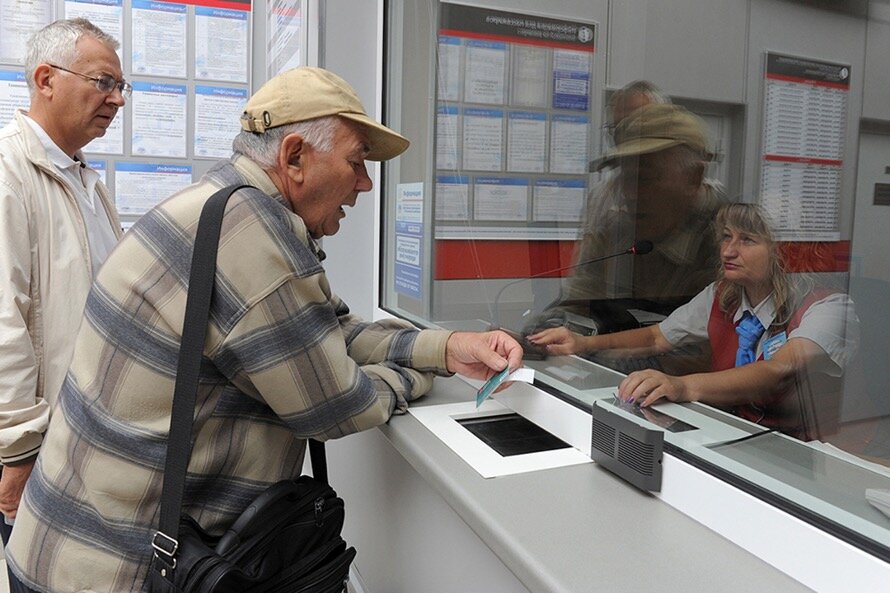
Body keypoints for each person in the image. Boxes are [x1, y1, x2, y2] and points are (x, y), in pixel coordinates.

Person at [5, 66, 522, 592]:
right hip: (106, 572)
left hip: (70, 542)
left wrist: (448, 347)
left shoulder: (223, 204)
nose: (365, 183)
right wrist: (420, 378)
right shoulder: (248, 233)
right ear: (294, 157)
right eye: (356, 160)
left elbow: (330, 331)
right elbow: (336, 404)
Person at [529, 202, 859, 441]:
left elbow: (777, 371)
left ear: (785, 252)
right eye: (726, 237)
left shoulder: (830, 307)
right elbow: (657, 338)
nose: (728, 251)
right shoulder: (722, 294)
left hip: (800, 452)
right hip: (729, 433)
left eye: (747, 240)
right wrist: (584, 342)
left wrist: (683, 385)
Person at [0, 15, 124, 567]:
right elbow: (4, 316)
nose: (117, 99)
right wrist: (18, 447)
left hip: (84, 438)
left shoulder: (83, 179)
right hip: (36, 446)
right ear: (46, 79)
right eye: (103, 82)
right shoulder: (10, 170)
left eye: (121, 86)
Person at [557, 102, 725, 318]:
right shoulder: (614, 234)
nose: (631, 194)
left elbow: (712, 340)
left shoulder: (728, 247)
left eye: (645, 179)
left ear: (694, 178)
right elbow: (575, 306)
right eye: (626, 179)